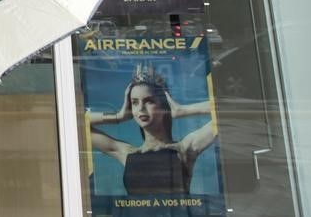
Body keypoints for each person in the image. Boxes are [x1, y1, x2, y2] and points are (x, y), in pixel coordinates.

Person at [87, 63, 215, 195]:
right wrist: (118, 116)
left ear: (164, 105)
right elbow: (77, 122)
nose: (141, 109)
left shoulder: (185, 148)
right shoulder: (127, 153)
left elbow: (230, 111)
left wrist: (182, 110)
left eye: (149, 101)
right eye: (135, 102)